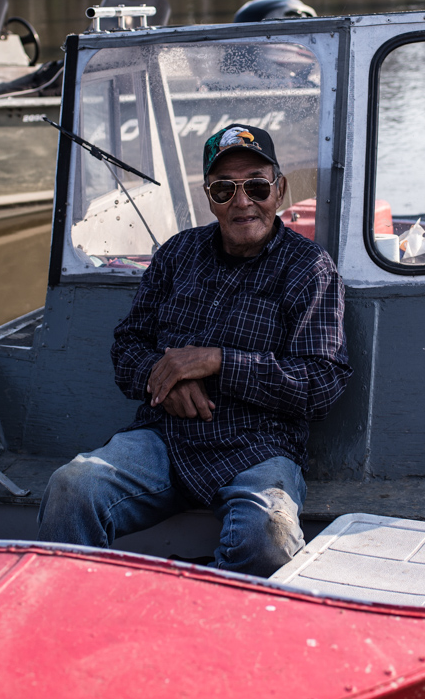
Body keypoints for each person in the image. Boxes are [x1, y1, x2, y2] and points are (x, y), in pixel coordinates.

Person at [37, 123, 351, 576]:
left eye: (257, 186)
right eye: (224, 189)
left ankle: (203, 629)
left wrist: (218, 362)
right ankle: (77, 619)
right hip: (163, 437)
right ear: (209, 197)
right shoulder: (177, 254)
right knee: (72, 488)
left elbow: (322, 383)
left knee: (267, 537)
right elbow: (128, 346)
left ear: (279, 190)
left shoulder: (309, 268)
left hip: (259, 449)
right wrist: (164, 376)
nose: (242, 201)